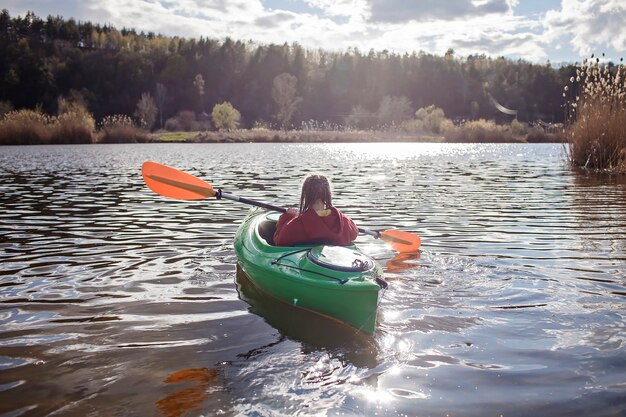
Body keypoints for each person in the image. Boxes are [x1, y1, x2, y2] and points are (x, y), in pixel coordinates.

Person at [273, 174, 359, 247]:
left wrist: (287, 217)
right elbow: (355, 233)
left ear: (305, 194)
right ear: (327, 194)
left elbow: (278, 242)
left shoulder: (294, 225)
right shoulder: (345, 222)